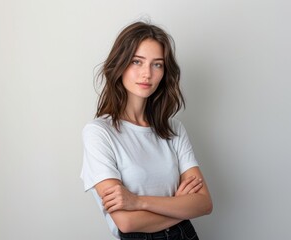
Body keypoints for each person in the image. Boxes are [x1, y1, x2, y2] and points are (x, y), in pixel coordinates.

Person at [81, 21, 213, 240]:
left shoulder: (173, 129)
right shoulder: (99, 133)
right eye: (137, 62)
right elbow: (127, 222)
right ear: (120, 64)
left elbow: (204, 203)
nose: (147, 74)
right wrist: (180, 206)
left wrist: (138, 201)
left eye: (157, 64)